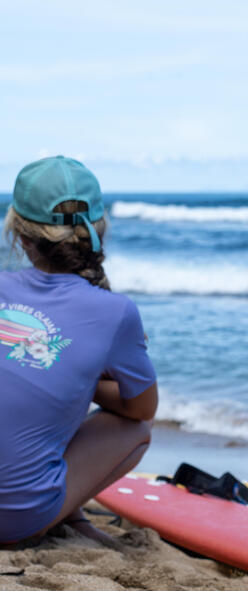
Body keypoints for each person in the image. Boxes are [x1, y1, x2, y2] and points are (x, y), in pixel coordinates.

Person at [0, 156, 158, 547]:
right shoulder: (115, 311)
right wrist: (83, 383)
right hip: (12, 522)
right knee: (134, 430)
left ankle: (74, 516)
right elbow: (141, 410)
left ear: (18, 233)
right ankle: (61, 514)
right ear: (96, 229)